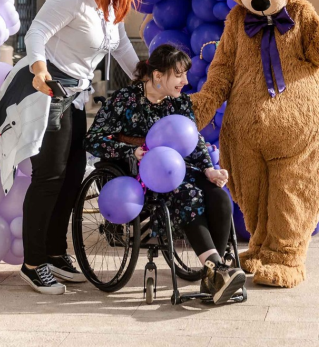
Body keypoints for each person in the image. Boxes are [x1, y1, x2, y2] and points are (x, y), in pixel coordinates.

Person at [0, 0, 143, 295]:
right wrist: (40, 69)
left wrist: (146, 80)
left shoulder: (110, 1)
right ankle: (33, 263)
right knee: (50, 176)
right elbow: (36, 32)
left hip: (76, 94)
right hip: (48, 89)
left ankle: (54, 251)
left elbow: (121, 46)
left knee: (72, 176)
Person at [87, 43, 247, 305]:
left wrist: (208, 169)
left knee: (219, 197)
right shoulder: (125, 99)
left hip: (177, 168)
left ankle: (213, 274)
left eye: (185, 74)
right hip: (139, 175)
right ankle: (217, 271)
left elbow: (193, 140)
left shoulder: (179, 102)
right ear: (158, 75)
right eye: (179, 75)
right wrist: (130, 151)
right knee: (188, 195)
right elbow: (93, 139)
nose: (185, 81)